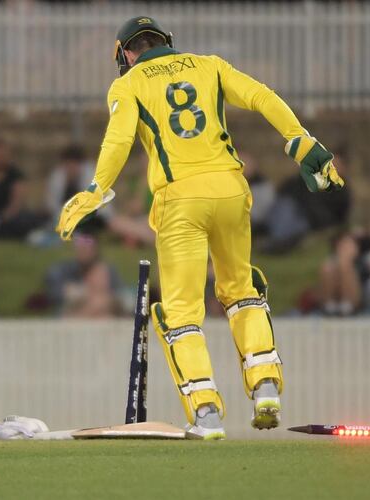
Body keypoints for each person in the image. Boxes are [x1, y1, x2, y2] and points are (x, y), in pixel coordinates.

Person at [55, 17, 344, 439]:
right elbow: (262, 96)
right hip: (230, 189)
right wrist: (300, 141)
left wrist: (98, 189)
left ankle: (206, 411)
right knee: (242, 290)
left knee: (181, 311)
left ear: (125, 54)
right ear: (166, 42)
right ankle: (265, 387)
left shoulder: (128, 84)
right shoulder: (208, 64)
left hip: (180, 199)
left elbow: (118, 141)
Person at [45, 233, 121, 318]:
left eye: (88, 243)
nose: (84, 249)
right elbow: (57, 296)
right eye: (80, 244)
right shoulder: (62, 271)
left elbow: (119, 299)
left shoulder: (107, 270)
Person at [318, 232, 361, 316]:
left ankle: (346, 306)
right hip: (334, 299)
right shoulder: (331, 263)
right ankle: (329, 306)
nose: (345, 248)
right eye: (342, 246)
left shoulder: (363, 261)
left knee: (344, 264)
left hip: (356, 298)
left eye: (349, 245)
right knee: (327, 267)